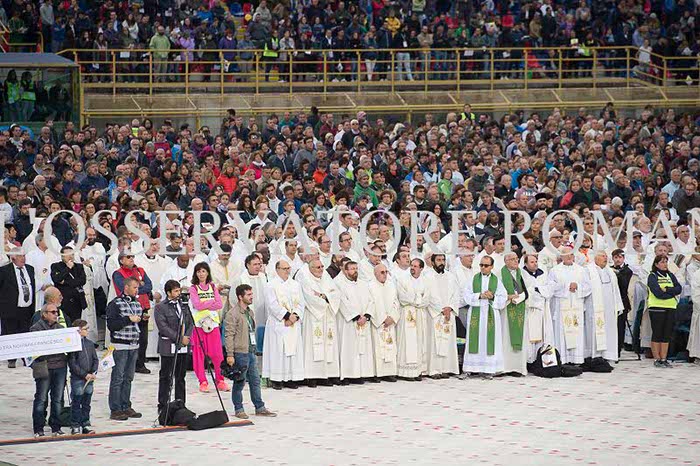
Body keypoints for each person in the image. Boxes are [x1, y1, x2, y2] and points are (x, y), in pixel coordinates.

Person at [224, 284, 277, 419]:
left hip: (251, 351)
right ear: (240, 297)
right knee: (239, 382)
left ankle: (260, 407)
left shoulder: (250, 312)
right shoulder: (232, 314)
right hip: (240, 352)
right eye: (248, 295)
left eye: (251, 294)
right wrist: (230, 354)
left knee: (255, 381)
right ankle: (238, 408)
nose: (251, 297)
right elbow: (228, 335)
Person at [295, 258, 340, 386]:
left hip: (328, 315)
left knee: (328, 344)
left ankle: (327, 374)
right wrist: (325, 298)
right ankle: (311, 376)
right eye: (318, 267)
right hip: (313, 315)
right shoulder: (305, 279)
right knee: (313, 345)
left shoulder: (326, 277)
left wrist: (324, 296)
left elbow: (336, 294)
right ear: (310, 269)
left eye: (322, 267)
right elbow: (309, 297)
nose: (321, 269)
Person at [462, 255, 508, 378]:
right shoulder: (473, 279)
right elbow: (466, 295)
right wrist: (479, 295)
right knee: (474, 340)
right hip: (476, 313)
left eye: (486, 265)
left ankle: (489, 369)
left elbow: (503, 297)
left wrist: (492, 297)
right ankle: (470, 368)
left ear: (492, 267)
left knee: (489, 341)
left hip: (490, 314)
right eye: (481, 265)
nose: (483, 267)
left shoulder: (496, 281)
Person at [262, 259, 305, 389]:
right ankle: (277, 379)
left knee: (293, 350)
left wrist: (295, 316)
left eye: (288, 268)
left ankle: (291, 378)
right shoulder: (271, 285)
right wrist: (286, 316)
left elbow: (301, 303)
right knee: (278, 350)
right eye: (284, 269)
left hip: (293, 323)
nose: (287, 271)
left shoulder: (295, 284)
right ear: (277, 270)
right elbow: (272, 304)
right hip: (279, 323)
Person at [106, 276, 143, 421]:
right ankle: (115, 409)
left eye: (137, 288)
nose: (137, 290)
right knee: (118, 378)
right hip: (120, 346)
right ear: (126, 287)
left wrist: (142, 319)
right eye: (134, 287)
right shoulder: (115, 304)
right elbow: (112, 325)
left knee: (128, 378)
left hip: (134, 344)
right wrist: (128, 319)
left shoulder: (137, 304)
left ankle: (125, 405)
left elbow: (137, 324)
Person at [155, 279, 194, 415]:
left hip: (183, 346)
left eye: (179, 290)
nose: (178, 293)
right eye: (176, 291)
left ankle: (180, 404)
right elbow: (163, 327)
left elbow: (190, 322)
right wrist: (179, 338)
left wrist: (186, 337)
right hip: (168, 346)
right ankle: (163, 405)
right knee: (166, 376)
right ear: (168, 292)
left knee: (180, 376)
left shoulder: (183, 305)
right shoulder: (161, 307)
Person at [189, 262, 229, 393]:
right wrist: (211, 302)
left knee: (217, 354)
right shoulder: (193, 289)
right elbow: (197, 305)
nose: (201, 274)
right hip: (199, 325)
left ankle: (220, 380)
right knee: (199, 354)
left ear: (207, 273)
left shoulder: (212, 287)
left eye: (203, 271)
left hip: (213, 324)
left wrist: (205, 303)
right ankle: (203, 381)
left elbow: (219, 305)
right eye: (198, 271)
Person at [548, 247, 592, 364]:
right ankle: (562, 359)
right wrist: (567, 286)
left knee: (576, 331)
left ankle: (576, 359)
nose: (569, 256)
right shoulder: (555, 270)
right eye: (566, 254)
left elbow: (588, 287)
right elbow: (550, 287)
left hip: (576, 306)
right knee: (561, 332)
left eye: (571, 254)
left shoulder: (581, 270)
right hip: (562, 306)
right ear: (561, 256)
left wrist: (578, 286)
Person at [112, 251, 154, 374]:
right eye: (128, 257)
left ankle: (140, 364)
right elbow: (123, 288)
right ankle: (129, 363)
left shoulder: (140, 270)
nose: (132, 258)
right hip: (127, 308)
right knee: (128, 336)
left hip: (143, 307)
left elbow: (149, 286)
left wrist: (135, 288)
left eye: (133, 256)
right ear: (121, 260)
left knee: (143, 338)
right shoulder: (118, 273)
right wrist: (140, 286)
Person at [335, 261, 376, 384]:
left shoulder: (363, 284)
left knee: (362, 349)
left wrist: (366, 316)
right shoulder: (340, 284)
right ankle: (348, 374)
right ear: (345, 271)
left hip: (364, 322)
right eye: (352, 269)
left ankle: (360, 374)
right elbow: (343, 302)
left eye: (356, 268)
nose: (355, 271)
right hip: (349, 323)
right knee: (349, 348)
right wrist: (356, 317)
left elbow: (371, 301)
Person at [30, 303, 67, 437]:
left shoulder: (61, 328)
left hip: (60, 366)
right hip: (44, 367)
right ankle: (38, 428)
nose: (56, 314)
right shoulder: (36, 329)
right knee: (41, 398)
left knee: (57, 399)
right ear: (44, 314)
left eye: (57, 312)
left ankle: (56, 427)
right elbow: (35, 348)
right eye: (53, 312)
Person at [584, 251, 624, 363]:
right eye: (602, 256)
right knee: (595, 330)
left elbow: (616, 289)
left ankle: (608, 354)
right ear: (595, 258)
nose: (605, 258)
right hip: (594, 307)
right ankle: (594, 355)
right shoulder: (588, 270)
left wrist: (618, 305)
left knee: (609, 330)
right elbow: (584, 287)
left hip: (609, 308)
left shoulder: (610, 271)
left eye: (606, 256)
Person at [423, 254, 459, 378]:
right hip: (435, 315)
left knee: (447, 342)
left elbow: (456, 295)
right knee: (434, 343)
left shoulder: (451, 277)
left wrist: (450, 308)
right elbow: (428, 296)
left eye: (443, 260)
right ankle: (433, 370)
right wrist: (441, 309)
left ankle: (446, 368)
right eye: (438, 260)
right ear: (432, 262)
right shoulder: (427, 277)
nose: (441, 262)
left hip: (449, 314)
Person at [0, 248, 36, 368]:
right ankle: (11, 358)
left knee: (25, 333)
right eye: (20, 256)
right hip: (10, 309)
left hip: (26, 308)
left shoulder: (30, 269)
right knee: (10, 333)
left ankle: (26, 357)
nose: (23, 258)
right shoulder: (4, 271)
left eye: (24, 256)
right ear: (13, 257)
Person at [395, 258, 429, 380]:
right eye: (411, 265)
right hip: (407, 314)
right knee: (407, 342)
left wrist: (416, 300)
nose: (412, 268)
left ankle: (417, 371)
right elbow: (402, 297)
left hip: (419, 315)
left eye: (415, 266)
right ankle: (405, 372)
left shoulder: (425, 281)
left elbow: (427, 298)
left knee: (419, 341)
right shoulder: (402, 279)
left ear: (421, 268)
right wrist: (417, 299)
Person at [647, 255, 682, 368]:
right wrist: (671, 293)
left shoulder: (670, 275)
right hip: (657, 307)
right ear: (656, 264)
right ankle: (657, 359)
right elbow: (657, 292)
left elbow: (678, 289)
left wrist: (666, 289)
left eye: (666, 262)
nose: (665, 264)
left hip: (671, 307)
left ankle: (664, 358)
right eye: (662, 262)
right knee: (657, 333)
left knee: (666, 334)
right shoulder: (652, 276)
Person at [231, 254, 268, 355]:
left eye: (259, 264)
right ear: (248, 265)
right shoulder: (240, 279)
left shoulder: (263, 277)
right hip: (247, 313)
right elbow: (233, 299)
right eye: (255, 264)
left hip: (262, 313)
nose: (257, 267)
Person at [521, 253, 555, 363]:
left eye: (536, 261)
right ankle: (529, 360)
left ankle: (542, 361)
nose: (535, 264)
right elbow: (526, 291)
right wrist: (537, 291)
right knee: (529, 336)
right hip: (529, 310)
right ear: (526, 264)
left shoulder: (543, 274)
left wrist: (538, 290)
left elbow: (550, 289)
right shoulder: (522, 275)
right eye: (532, 262)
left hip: (543, 311)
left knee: (544, 334)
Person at [500, 252, 529, 376]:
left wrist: (520, 297)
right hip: (506, 311)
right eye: (512, 259)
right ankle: (505, 367)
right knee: (506, 338)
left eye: (517, 259)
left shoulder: (522, 273)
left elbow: (529, 289)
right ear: (506, 261)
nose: (516, 261)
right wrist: (507, 297)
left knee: (520, 336)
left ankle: (518, 367)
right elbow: (496, 292)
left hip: (520, 308)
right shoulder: (499, 274)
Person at [369, 263, 399, 382]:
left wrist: (392, 317)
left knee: (390, 347)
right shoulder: (370, 286)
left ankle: (389, 372)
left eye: (386, 272)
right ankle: (377, 373)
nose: (385, 274)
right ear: (375, 273)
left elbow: (396, 303)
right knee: (378, 348)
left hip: (390, 322)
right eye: (382, 272)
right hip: (378, 323)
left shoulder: (391, 285)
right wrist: (382, 318)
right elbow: (371, 303)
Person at [67, 319, 98, 435]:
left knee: (86, 402)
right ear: (78, 330)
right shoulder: (73, 345)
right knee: (76, 401)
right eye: (85, 329)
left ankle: (85, 423)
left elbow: (95, 359)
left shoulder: (89, 343)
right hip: (78, 378)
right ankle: (75, 424)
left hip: (89, 378)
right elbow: (72, 363)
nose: (87, 331)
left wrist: (93, 371)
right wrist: (84, 374)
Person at [50, 246, 87, 323]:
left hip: (77, 300)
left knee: (76, 323)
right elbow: (57, 279)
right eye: (68, 254)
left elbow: (82, 281)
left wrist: (65, 282)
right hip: (64, 301)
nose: (71, 256)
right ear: (62, 256)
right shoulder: (56, 266)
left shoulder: (79, 267)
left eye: (72, 254)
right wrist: (68, 268)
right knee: (64, 323)